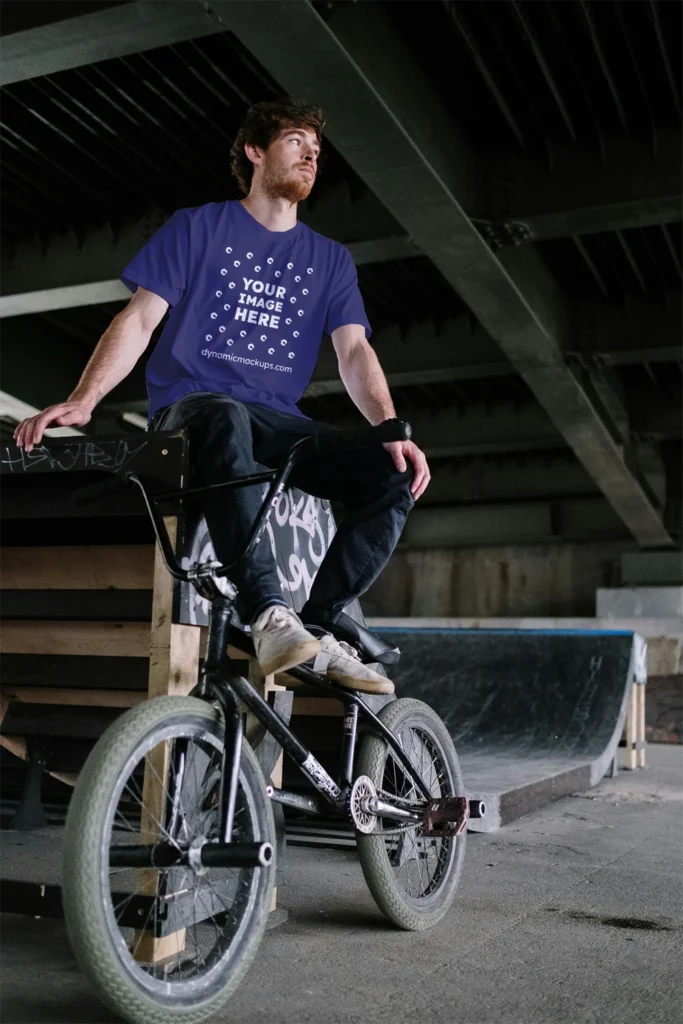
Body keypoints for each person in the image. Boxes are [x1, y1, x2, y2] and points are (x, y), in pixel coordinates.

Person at [13, 99, 430, 694]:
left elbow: (354, 352)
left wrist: (389, 427)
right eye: (294, 141)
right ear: (254, 152)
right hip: (194, 409)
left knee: (388, 472)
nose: (311, 153)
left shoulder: (330, 261)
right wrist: (85, 398)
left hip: (278, 419)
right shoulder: (198, 227)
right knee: (225, 414)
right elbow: (139, 319)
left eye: (316, 148)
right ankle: (270, 614)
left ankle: (316, 628)